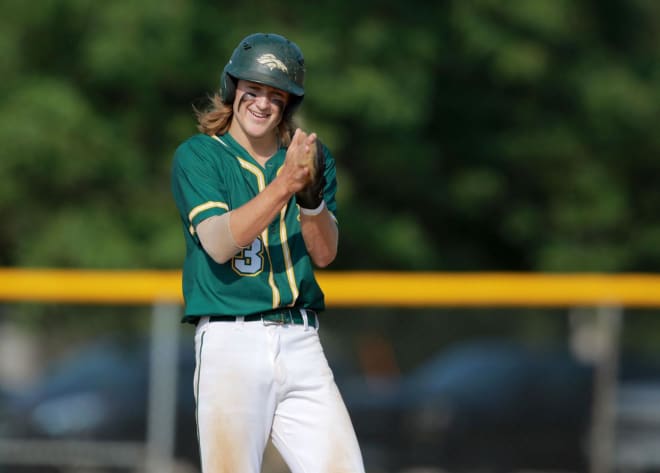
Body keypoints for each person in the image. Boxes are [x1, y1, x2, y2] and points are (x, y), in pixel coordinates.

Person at [170, 32, 365, 473]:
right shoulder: (199, 156)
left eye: (275, 95)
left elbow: (324, 253)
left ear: (288, 104)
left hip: (301, 340)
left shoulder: (308, 158)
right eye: (252, 89)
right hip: (231, 340)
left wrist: (311, 200)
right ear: (232, 88)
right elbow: (219, 243)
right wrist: (286, 187)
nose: (262, 103)